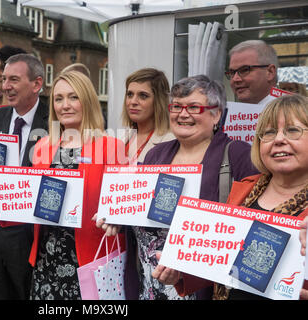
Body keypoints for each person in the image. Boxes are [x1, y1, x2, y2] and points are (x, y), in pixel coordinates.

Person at [98, 74, 258, 300]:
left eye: (194, 107)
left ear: (217, 114)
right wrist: (116, 215)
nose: (183, 114)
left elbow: (253, 224)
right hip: (150, 285)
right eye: (177, 106)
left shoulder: (238, 155)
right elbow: (138, 209)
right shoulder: (156, 154)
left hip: (203, 290)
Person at [0, 71, 127, 299]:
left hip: (91, 261)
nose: (65, 105)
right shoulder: (42, 147)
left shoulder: (112, 148)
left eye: (73, 97)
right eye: (58, 99)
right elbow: (28, 202)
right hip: (46, 261)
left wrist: (117, 217)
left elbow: (125, 205)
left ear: (87, 101)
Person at [153, 94, 308, 300]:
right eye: (269, 132)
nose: (279, 139)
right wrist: (181, 271)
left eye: (293, 131)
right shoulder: (244, 189)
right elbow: (222, 262)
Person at [0, 53, 49, 300]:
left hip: (33, 238)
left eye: (14, 79)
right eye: (4, 79)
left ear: (36, 84)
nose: (5, 86)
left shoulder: (54, 122)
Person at [120, 68, 175, 164]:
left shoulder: (171, 141)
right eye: (130, 94)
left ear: (159, 101)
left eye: (143, 96)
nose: (133, 102)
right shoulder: (123, 137)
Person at [226, 40, 278, 105]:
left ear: (270, 72)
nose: (235, 79)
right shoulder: (226, 113)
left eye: (245, 70)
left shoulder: (290, 112)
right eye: (232, 73)